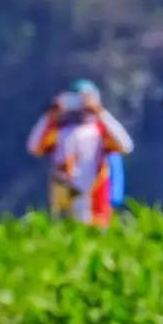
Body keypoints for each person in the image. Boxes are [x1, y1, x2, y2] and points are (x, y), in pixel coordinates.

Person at [26, 79, 133, 227]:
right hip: (65, 199)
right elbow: (34, 147)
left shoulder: (101, 133)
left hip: (95, 201)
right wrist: (50, 114)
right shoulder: (59, 132)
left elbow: (125, 146)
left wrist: (100, 112)